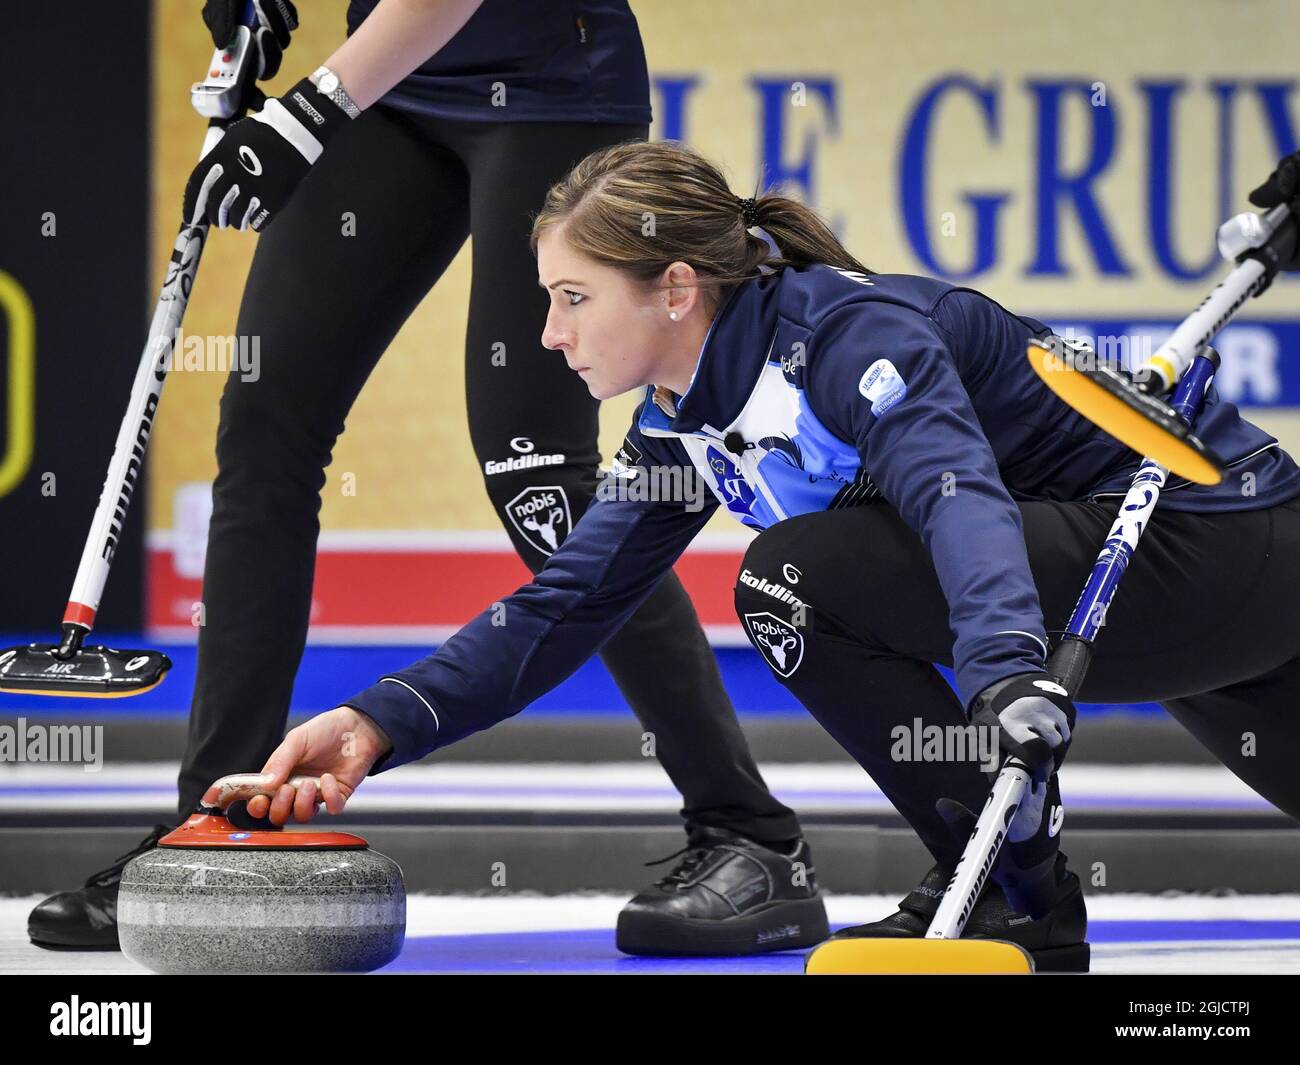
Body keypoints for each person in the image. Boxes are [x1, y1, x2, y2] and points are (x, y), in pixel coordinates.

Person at [237, 139, 1300, 973]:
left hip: (1204, 535)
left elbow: (954, 500)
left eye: (573, 297)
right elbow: (568, 601)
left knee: (790, 578)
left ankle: (1010, 889)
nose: (551, 334)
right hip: (1205, 586)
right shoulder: (685, 420)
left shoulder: (849, 341)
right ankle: (1010, 879)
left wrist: (1001, 676)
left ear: (676, 288)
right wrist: (379, 721)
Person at [28, 0, 824, 958]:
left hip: (547, 75)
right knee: (266, 428)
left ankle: (749, 832)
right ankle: (223, 823)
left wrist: (313, 110)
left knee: (537, 475)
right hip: (395, 83)